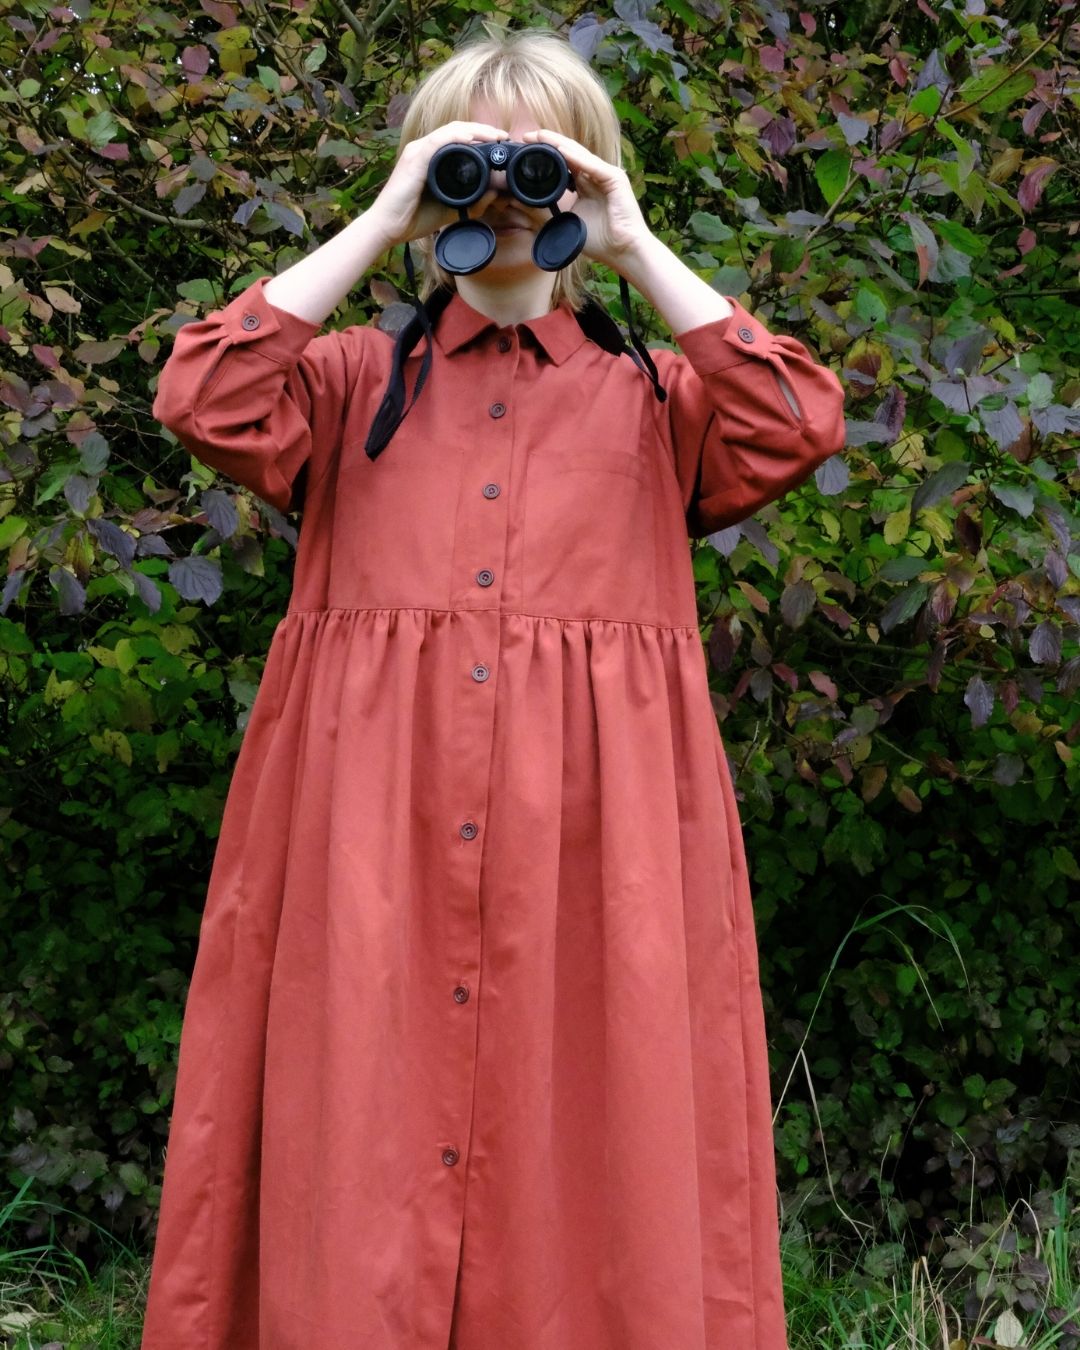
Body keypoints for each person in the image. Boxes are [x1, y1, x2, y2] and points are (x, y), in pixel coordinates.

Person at [142, 21, 845, 1350]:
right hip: (367, 865)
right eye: (479, 167)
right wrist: (387, 215)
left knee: (590, 1164)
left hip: (591, 873)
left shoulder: (657, 403)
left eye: (545, 169)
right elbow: (203, 395)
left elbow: (800, 420)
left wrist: (633, 242)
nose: (514, 201)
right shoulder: (348, 386)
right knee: (351, 1173)